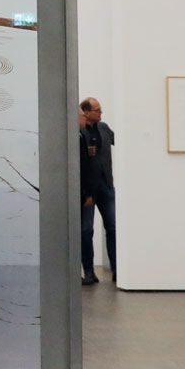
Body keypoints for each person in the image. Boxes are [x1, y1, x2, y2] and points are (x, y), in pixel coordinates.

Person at [77, 97, 115, 286]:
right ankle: (89, 272)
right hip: (88, 189)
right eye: (97, 110)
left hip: (106, 185)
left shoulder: (104, 128)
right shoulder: (80, 131)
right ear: (87, 112)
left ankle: (118, 270)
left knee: (113, 227)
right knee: (86, 230)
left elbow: (122, 144)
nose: (101, 113)